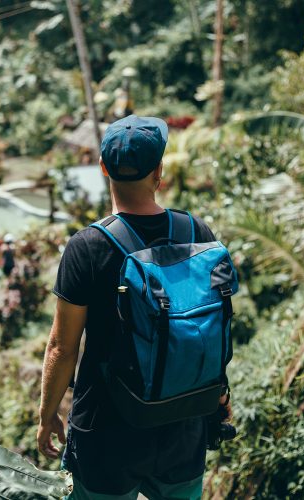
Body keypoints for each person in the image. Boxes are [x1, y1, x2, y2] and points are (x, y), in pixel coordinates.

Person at [37, 115, 232, 499]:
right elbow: (211, 327)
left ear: (103, 168)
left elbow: (62, 346)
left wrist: (47, 417)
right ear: (159, 170)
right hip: (184, 424)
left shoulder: (88, 247)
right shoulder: (198, 234)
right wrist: (222, 398)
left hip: (108, 432)